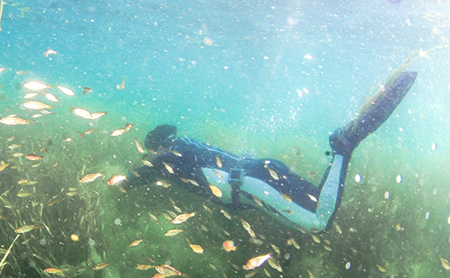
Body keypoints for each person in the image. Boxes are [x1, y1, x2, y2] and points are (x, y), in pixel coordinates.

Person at [123, 71, 417, 233]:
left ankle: (343, 147)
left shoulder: (170, 155)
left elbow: (147, 170)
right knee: (316, 198)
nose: (152, 157)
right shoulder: (187, 145)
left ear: (159, 146)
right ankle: (344, 142)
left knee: (318, 221)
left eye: (151, 152)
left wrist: (118, 187)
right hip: (259, 173)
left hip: (255, 184)